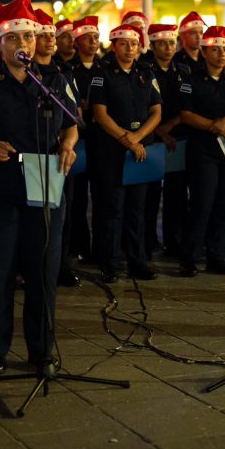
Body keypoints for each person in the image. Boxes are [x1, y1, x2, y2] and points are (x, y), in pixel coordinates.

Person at [0, 0, 79, 374]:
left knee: (43, 270)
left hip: (44, 184)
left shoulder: (54, 80)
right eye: (15, 38)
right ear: (0, 41)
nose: (22, 44)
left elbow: (71, 125)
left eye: (28, 37)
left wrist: (68, 147)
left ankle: (41, 349)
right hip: (0, 186)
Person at [88, 24, 162, 283]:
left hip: (140, 149)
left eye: (134, 43)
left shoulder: (146, 72)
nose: (129, 48)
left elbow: (156, 111)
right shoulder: (103, 73)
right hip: (112, 150)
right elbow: (99, 113)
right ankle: (109, 263)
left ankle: (137, 262)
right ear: (114, 45)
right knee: (113, 208)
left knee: (137, 209)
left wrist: (137, 138)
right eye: (123, 43)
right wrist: (126, 139)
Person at [178, 25, 225, 276]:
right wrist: (214, 125)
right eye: (216, 50)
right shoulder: (191, 78)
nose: (222, 54)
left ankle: (216, 257)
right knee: (202, 204)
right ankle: (189, 257)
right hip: (203, 150)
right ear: (205, 52)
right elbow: (185, 114)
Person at [33, 9, 82, 287]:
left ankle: (59, 265)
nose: (50, 40)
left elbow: (72, 119)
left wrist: (68, 144)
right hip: (26, 157)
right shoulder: (23, 74)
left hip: (56, 156)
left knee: (61, 214)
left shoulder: (61, 76)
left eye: (52, 35)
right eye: (43, 35)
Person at [146, 24, 189, 259]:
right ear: (152, 46)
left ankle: (174, 241)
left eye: (172, 42)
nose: (168, 47)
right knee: (150, 194)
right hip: (153, 138)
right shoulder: (145, 70)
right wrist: (161, 132)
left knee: (177, 193)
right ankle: (149, 240)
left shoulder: (183, 70)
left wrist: (171, 127)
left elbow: (187, 104)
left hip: (178, 138)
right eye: (162, 43)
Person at [66, 15, 102, 262]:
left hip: (102, 140)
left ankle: (100, 249)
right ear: (76, 42)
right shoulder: (68, 70)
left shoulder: (105, 67)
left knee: (102, 197)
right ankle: (78, 245)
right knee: (76, 198)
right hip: (77, 140)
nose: (93, 42)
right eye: (87, 38)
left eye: (96, 37)